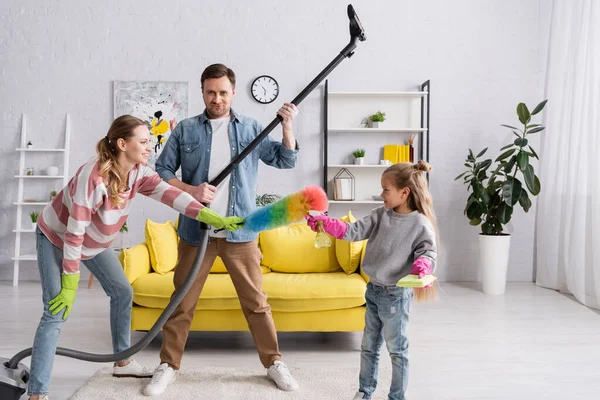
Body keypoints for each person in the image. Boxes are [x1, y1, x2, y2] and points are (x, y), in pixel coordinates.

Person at [27, 115, 243, 400]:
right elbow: (74, 233)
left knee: (122, 292)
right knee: (55, 311)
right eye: (142, 141)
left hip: (95, 243)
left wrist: (204, 213)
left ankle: (122, 362)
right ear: (121, 143)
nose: (148, 147)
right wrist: (70, 283)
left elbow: (168, 193)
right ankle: (37, 393)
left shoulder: (139, 171)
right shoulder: (92, 179)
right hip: (58, 238)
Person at [143, 63, 300, 396]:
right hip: (195, 232)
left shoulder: (252, 129)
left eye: (223, 92)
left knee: (256, 304)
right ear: (202, 92)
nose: (217, 99)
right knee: (181, 304)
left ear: (233, 92)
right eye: (211, 92)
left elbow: (285, 160)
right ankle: (168, 366)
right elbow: (161, 172)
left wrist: (287, 126)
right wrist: (191, 190)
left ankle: (273, 363)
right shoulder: (185, 130)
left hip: (239, 234)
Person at [306, 161, 438, 400]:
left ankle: (396, 397)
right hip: (373, 291)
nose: (381, 194)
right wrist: (327, 223)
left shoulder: (419, 224)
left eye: (386, 189)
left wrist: (422, 265)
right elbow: (353, 231)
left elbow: (428, 252)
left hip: (396, 296)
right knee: (368, 347)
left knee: (397, 351)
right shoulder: (380, 215)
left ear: (404, 192)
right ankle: (365, 392)